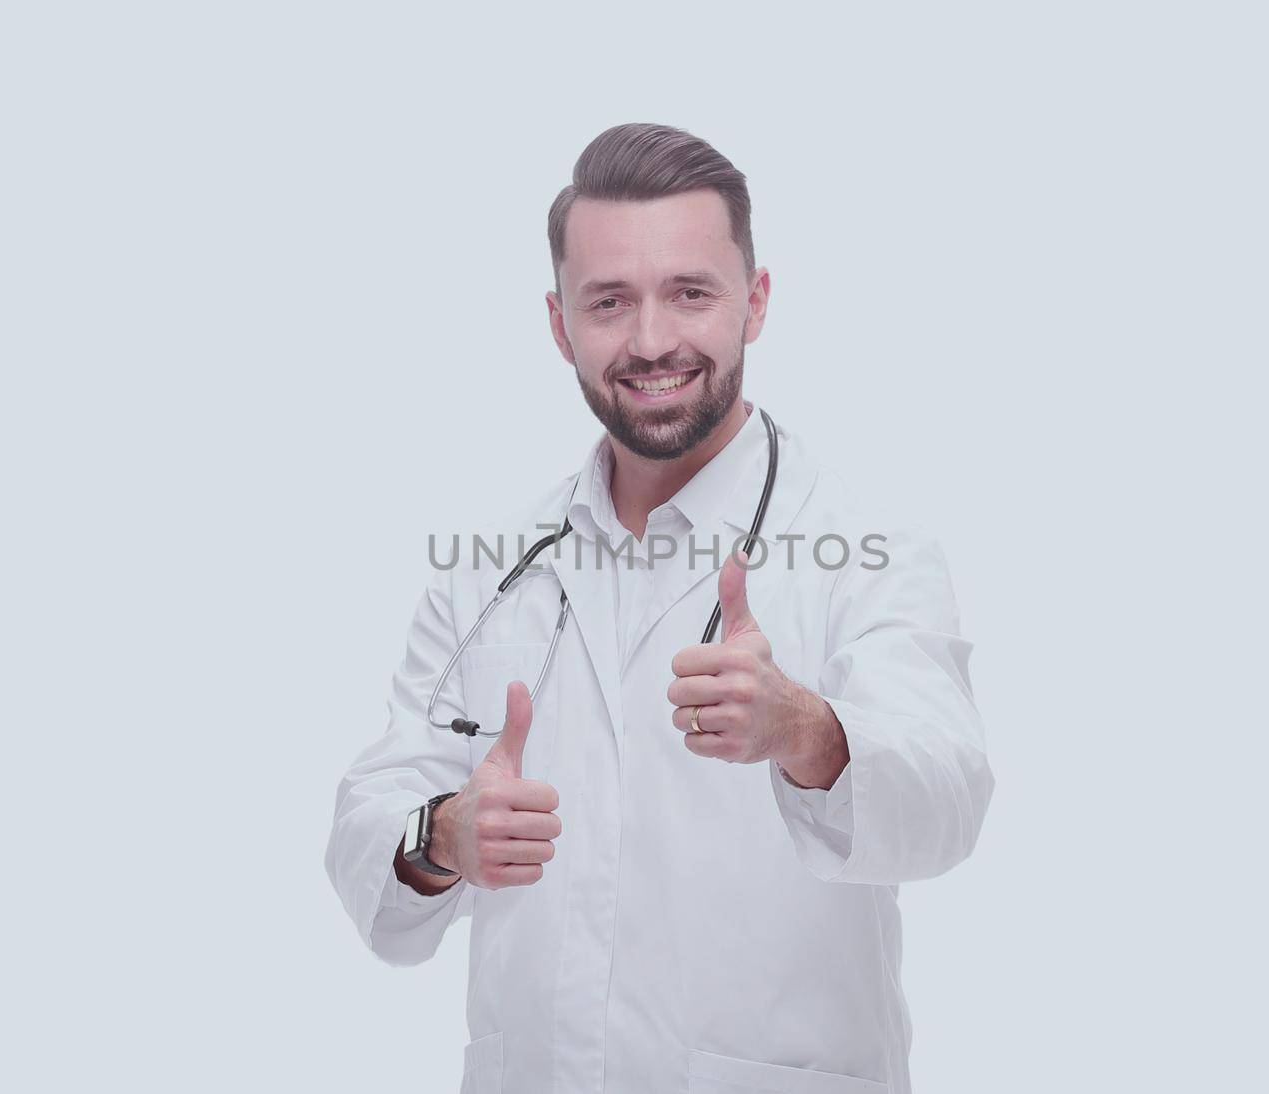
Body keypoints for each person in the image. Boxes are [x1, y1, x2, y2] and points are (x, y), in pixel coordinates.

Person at [324, 123, 995, 1094]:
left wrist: (808, 730)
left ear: (754, 302)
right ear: (559, 324)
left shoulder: (867, 546)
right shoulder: (489, 566)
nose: (649, 341)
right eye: (609, 302)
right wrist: (442, 837)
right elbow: (365, 818)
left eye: (689, 292)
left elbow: (949, 799)